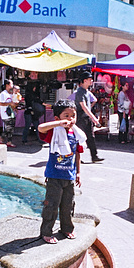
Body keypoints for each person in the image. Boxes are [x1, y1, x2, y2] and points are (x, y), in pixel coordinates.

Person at [37, 99, 86, 244]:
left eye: (73, 115)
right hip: (54, 176)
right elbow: (41, 128)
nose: (71, 119)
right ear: (57, 118)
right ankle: (46, 231)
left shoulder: (75, 134)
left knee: (68, 205)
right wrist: (58, 124)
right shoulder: (54, 131)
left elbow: (77, 153)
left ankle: (67, 228)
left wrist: (78, 172)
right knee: (51, 205)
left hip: (69, 176)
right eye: (66, 115)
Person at [75, 72, 103, 163]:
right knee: (79, 138)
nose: (91, 81)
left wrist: (91, 116)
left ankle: (94, 156)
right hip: (80, 118)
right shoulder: (79, 92)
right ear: (84, 80)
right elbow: (83, 106)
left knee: (91, 137)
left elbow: (93, 101)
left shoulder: (87, 91)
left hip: (87, 118)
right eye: (90, 79)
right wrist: (94, 118)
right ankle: (77, 157)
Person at [0, 79, 17, 148]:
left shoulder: (10, 94)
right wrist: (9, 103)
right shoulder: (3, 94)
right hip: (5, 113)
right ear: (7, 85)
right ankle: (2, 138)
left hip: (11, 112)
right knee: (9, 127)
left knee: (10, 128)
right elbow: (1, 103)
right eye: (11, 84)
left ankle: (8, 141)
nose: (12, 85)